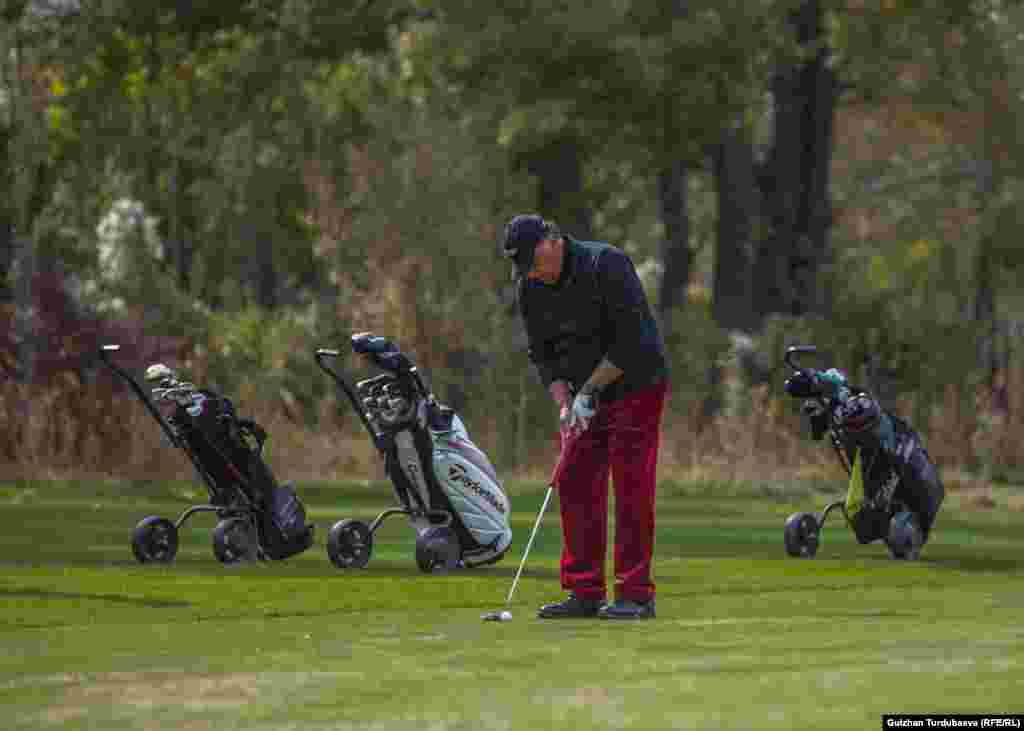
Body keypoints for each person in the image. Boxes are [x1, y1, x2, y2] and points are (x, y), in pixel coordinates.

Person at [501, 214, 669, 619]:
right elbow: (543, 356)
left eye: (533, 259)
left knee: (631, 484)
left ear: (553, 240)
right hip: (581, 392)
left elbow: (633, 342)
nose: (532, 272)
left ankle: (635, 594)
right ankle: (584, 591)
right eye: (523, 265)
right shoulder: (531, 287)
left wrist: (589, 392)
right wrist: (564, 402)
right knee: (575, 481)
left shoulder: (605, 265)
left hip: (636, 384)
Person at [791, 366, 944, 558]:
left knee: (863, 513)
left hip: (894, 466)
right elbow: (818, 429)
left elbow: (837, 385)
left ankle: (901, 528)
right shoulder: (838, 408)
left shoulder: (858, 400)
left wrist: (817, 380)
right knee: (859, 515)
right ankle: (808, 533)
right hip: (869, 471)